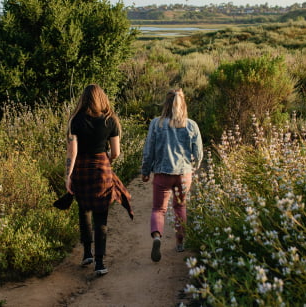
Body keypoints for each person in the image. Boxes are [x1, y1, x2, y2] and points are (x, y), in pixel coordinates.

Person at [65, 84, 133, 276]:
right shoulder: (111, 120)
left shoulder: (75, 120)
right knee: (101, 215)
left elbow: (73, 151)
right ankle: (100, 263)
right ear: (102, 98)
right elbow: (117, 152)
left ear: (83, 99)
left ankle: (87, 253)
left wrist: (68, 175)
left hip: (81, 169)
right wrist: (105, 160)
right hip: (102, 169)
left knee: (84, 209)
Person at [141, 89, 203, 262]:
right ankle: (180, 242)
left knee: (158, 209)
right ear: (183, 104)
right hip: (184, 173)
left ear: (165, 105)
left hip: (162, 172)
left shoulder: (156, 124)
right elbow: (198, 153)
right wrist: (194, 167)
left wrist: (146, 171)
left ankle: (157, 237)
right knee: (180, 207)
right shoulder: (191, 125)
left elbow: (149, 150)